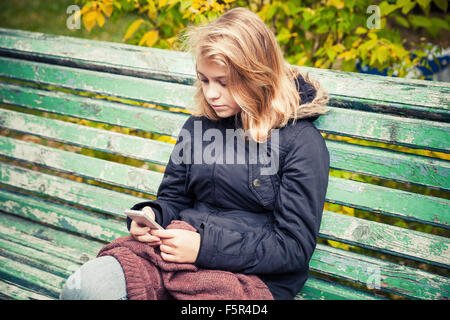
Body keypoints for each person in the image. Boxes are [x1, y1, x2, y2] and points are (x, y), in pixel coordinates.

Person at [60, 6, 329, 300]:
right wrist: (152, 215)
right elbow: (173, 198)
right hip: (172, 254)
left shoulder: (301, 141)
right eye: (204, 80)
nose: (211, 93)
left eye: (224, 82)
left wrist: (203, 248)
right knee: (86, 289)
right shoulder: (198, 126)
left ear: (256, 75)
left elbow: (293, 247)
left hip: (249, 278)